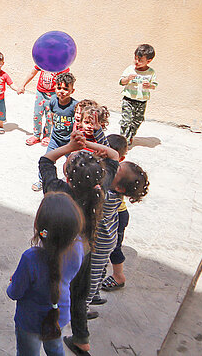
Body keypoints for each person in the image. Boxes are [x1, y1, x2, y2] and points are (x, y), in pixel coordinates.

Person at [39, 131, 105, 356]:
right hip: (84, 252)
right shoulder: (97, 192)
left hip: (58, 253)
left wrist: (69, 146)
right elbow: (114, 157)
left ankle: (49, 326)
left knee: (52, 291)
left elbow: (45, 160)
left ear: (67, 176)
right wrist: (89, 146)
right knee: (78, 296)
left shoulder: (57, 189)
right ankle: (82, 339)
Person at [7, 192, 85, 356]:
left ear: (38, 226)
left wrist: (13, 282)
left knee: (29, 352)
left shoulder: (30, 258)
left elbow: (14, 293)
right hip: (60, 314)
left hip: (30, 322)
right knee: (55, 347)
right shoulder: (78, 246)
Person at [86, 143, 149, 313]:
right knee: (99, 270)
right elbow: (112, 155)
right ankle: (95, 295)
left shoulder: (107, 197)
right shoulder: (115, 191)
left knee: (92, 275)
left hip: (100, 244)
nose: (111, 169)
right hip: (107, 241)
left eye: (116, 170)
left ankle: (83, 306)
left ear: (119, 187)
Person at [33, 73, 78, 192]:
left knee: (73, 164)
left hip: (69, 142)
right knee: (47, 159)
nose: (61, 91)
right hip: (55, 139)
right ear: (55, 88)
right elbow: (52, 116)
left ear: (72, 90)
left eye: (65, 89)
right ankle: (42, 180)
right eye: (59, 88)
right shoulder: (53, 101)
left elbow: (78, 122)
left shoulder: (75, 105)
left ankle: (72, 182)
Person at [102, 135, 131, 292]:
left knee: (115, 247)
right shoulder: (109, 167)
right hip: (111, 214)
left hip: (118, 216)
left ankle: (119, 276)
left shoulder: (117, 173)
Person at [20, 65, 70, 146]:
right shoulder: (42, 61)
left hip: (54, 94)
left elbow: (66, 80)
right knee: (37, 114)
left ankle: (47, 136)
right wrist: (23, 85)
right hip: (41, 92)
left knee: (50, 116)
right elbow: (32, 72)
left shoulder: (62, 65)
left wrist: (64, 94)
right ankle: (36, 135)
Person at [119, 44, 158, 145]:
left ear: (148, 61)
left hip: (142, 101)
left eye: (140, 60)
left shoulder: (151, 72)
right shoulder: (130, 69)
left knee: (137, 121)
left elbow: (154, 85)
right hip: (128, 99)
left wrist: (149, 85)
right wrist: (127, 79)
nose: (137, 62)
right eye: (135, 59)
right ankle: (123, 142)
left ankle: (130, 135)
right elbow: (121, 82)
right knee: (126, 121)